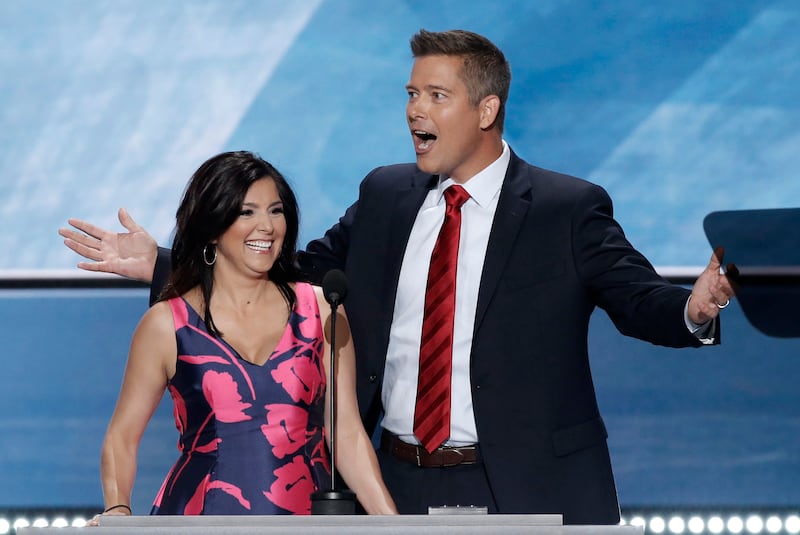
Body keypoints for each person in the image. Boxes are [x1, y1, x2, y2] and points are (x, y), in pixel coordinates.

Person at [60, 30, 735, 524]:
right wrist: (166, 261)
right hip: (396, 482)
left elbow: (637, 298)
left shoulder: (566, 208)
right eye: (410, 93)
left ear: (486, 109)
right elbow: (290, 276)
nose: (414, 110)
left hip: (525, 489)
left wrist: (694, 308)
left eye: (435, 95)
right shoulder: (388, 195)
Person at [87, 151, 396, 521]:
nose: (266, 226)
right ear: (213, 226)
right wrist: (118, 510)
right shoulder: (166, 324)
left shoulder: (323, 311)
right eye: (247, 212)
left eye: (275, 210)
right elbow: (122, 436)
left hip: (304, 523)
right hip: (200, 520)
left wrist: (394, 527)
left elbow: (346, 435)